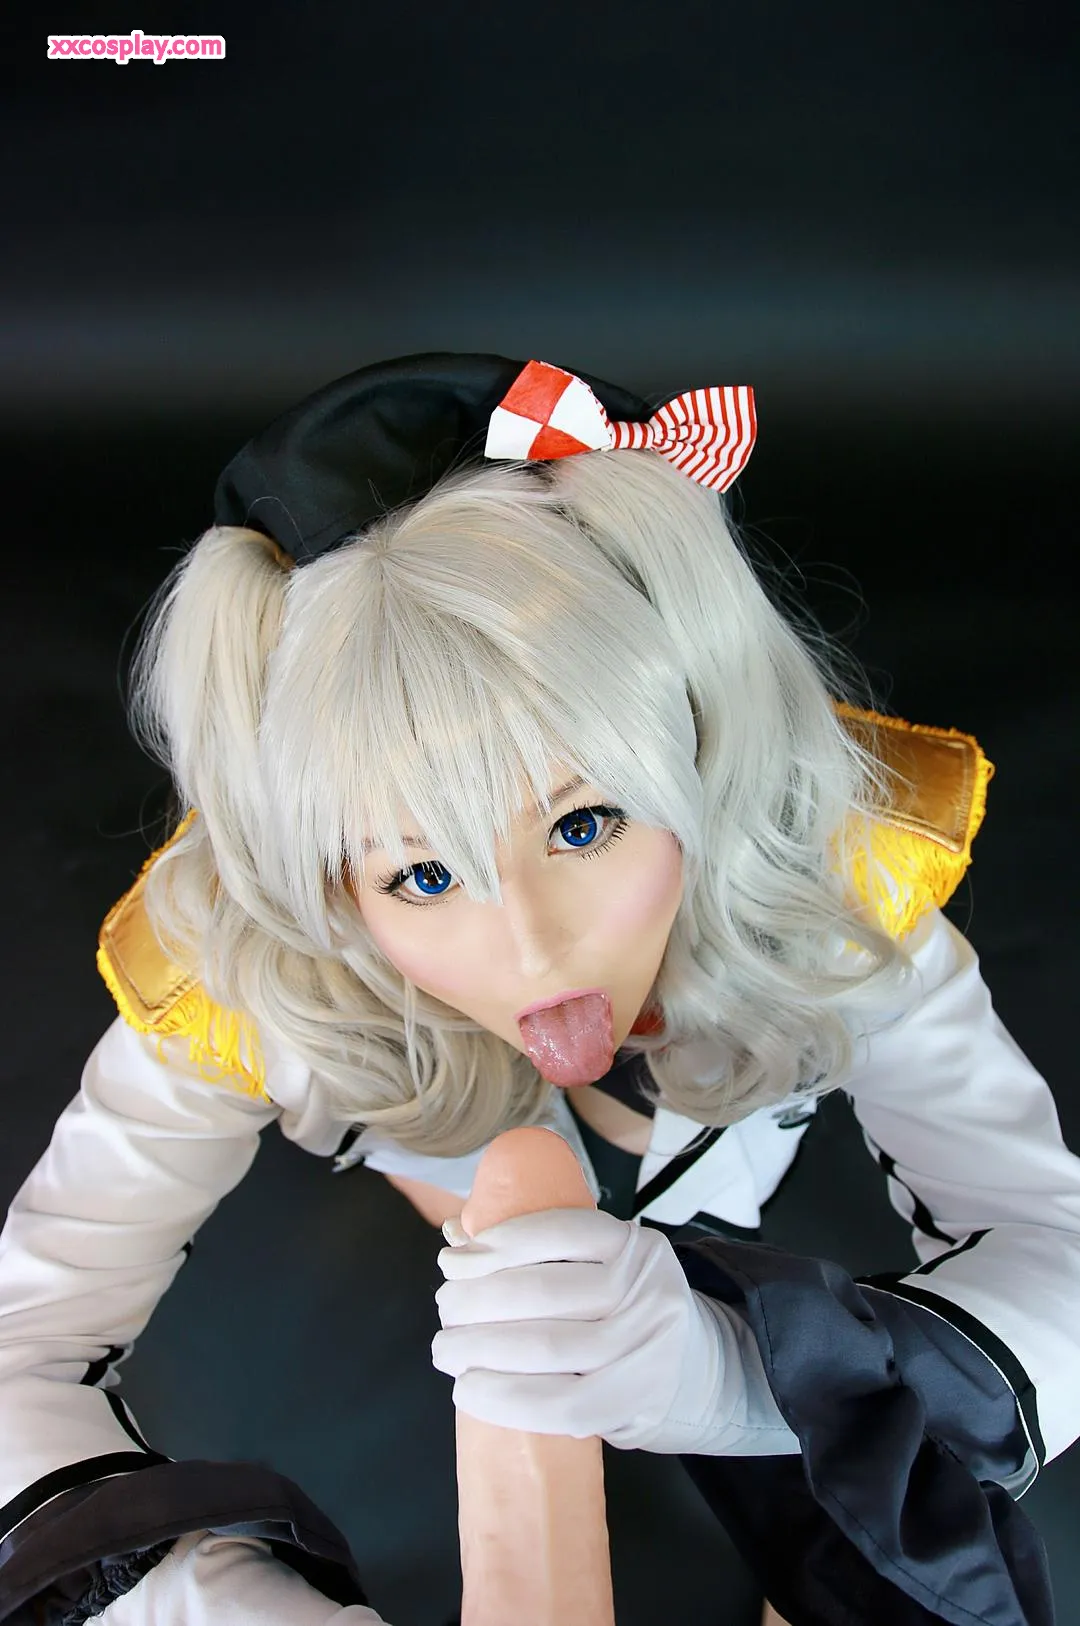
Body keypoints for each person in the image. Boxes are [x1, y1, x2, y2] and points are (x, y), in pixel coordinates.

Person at [0, 353, 1076, 1626]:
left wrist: (743, 1379)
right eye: (422, 874)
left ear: (696, 752)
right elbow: (21, 1349)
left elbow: (1054, 1247)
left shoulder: (832, 881)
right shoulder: (249, 978)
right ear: (331, 888)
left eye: (583, 825)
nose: (533, 952)